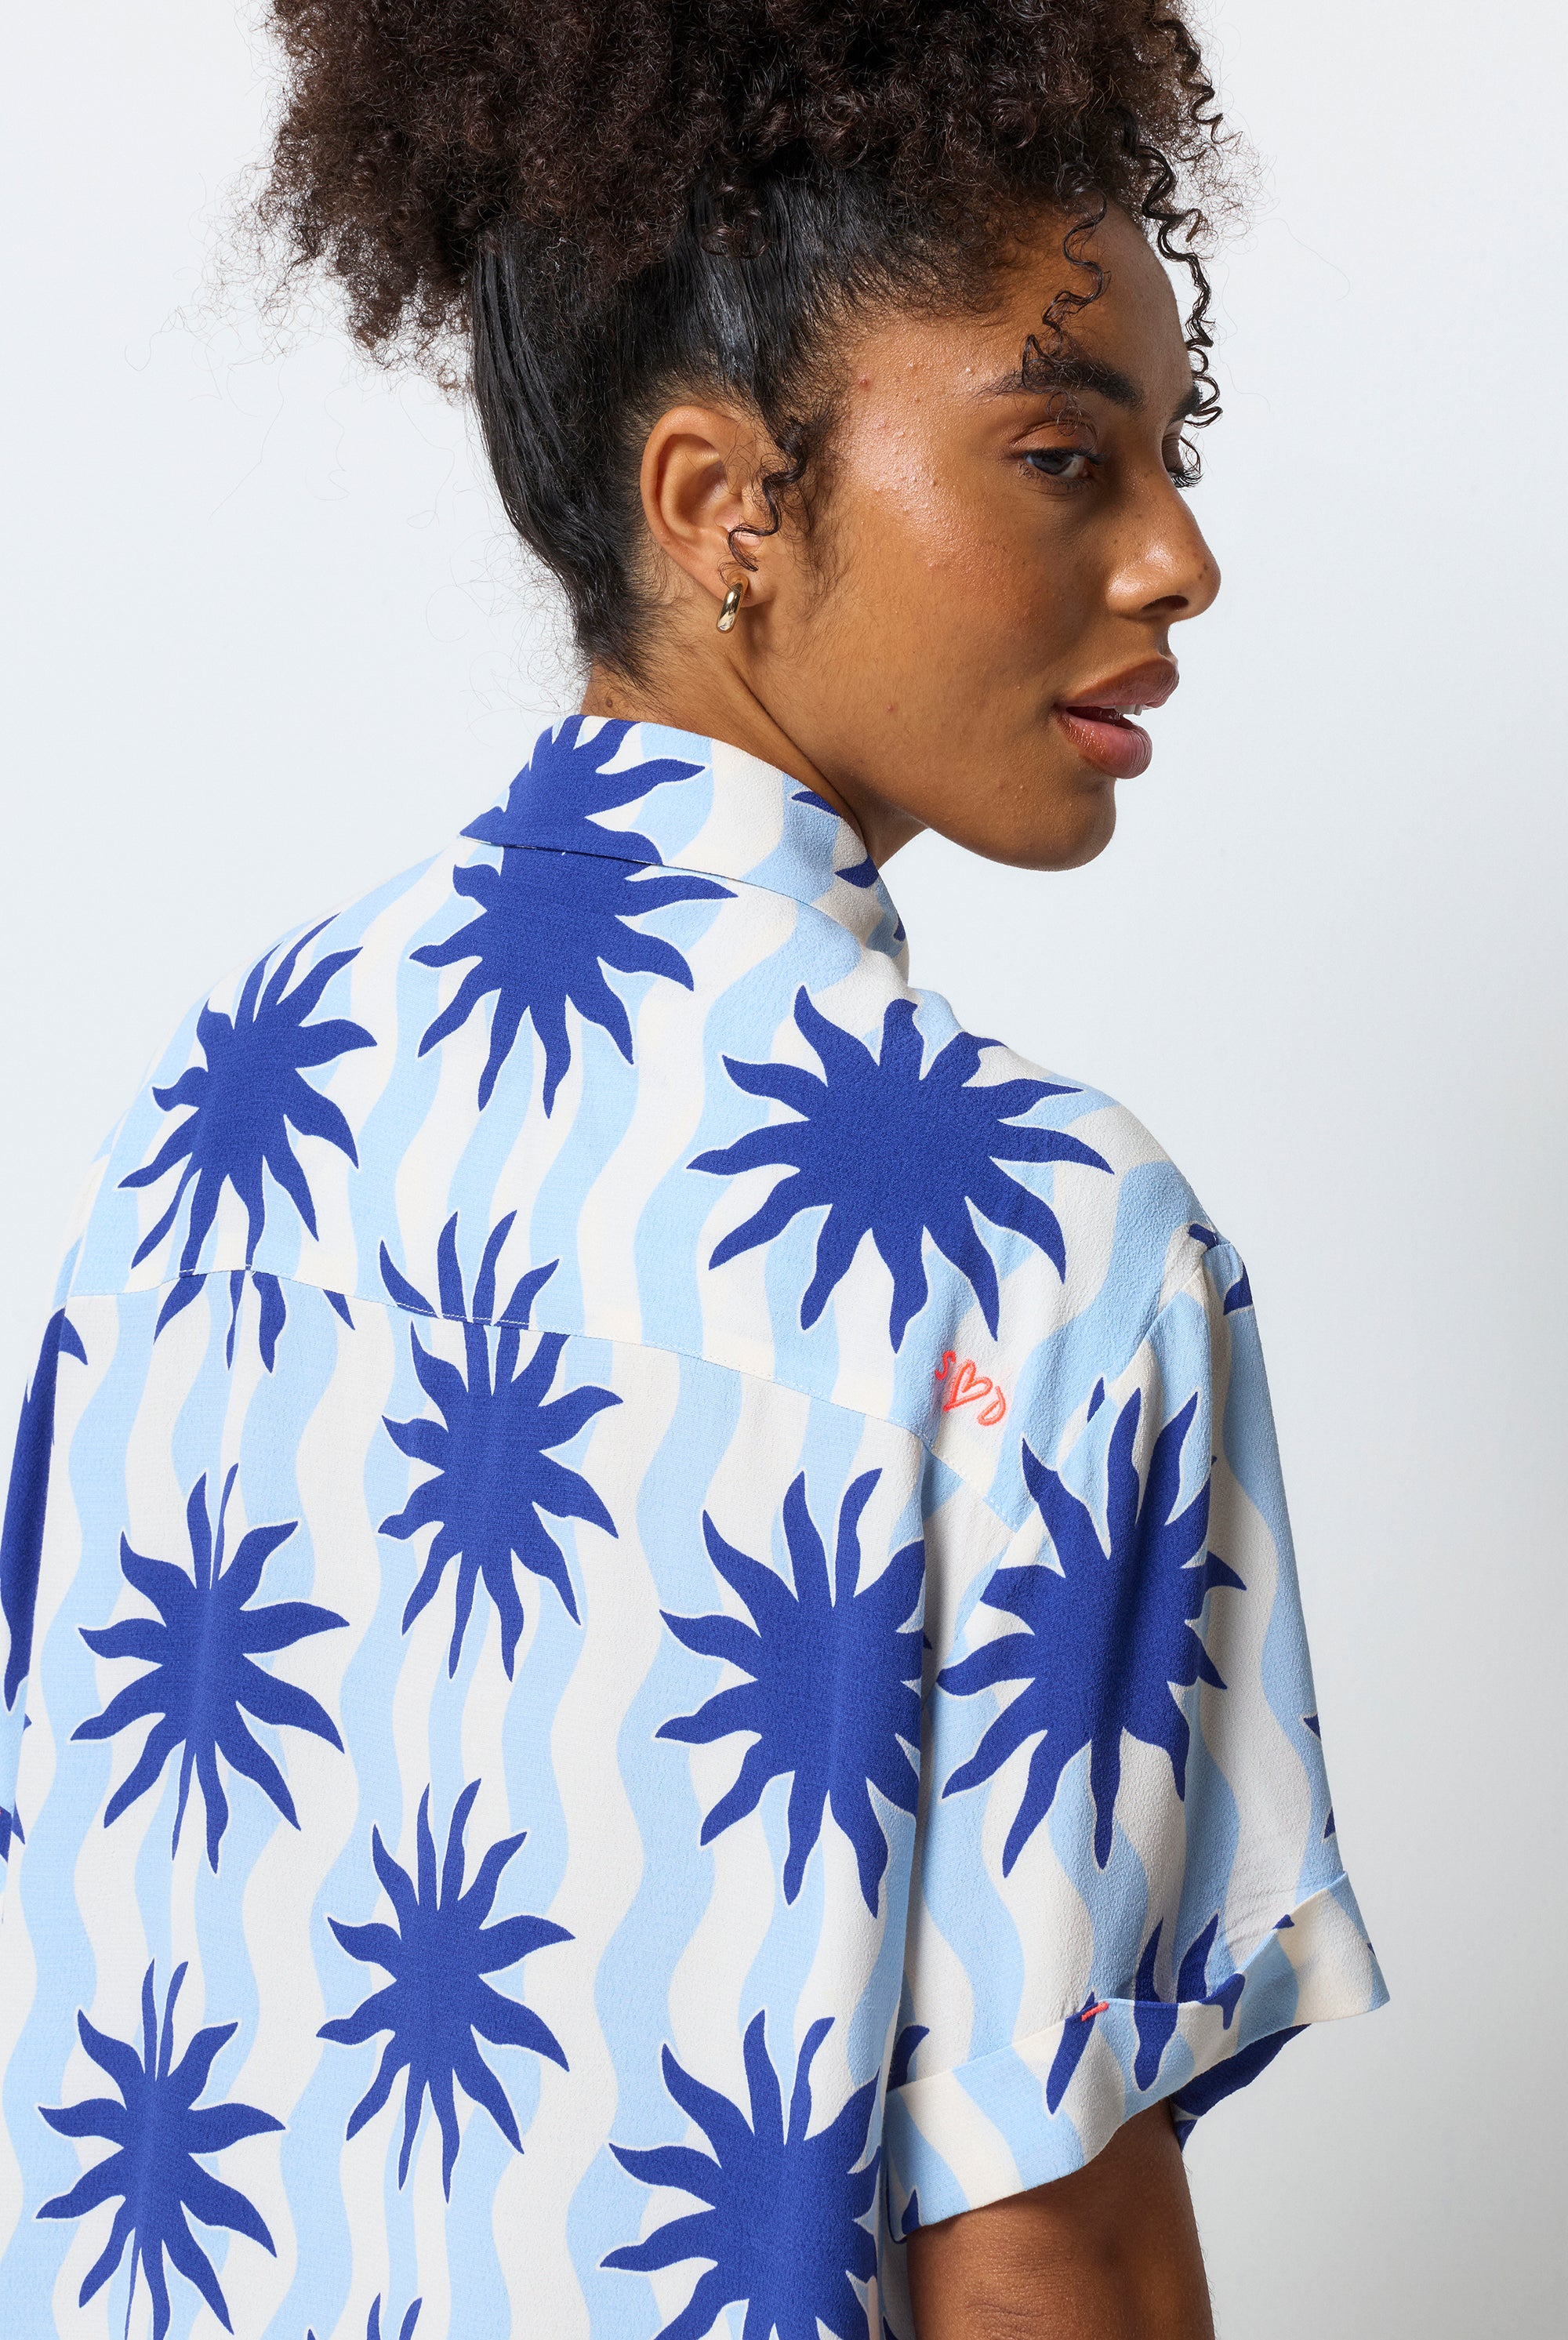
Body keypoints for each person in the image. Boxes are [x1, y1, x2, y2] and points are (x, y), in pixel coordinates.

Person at [0, 5, 1386, 2335]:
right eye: (1067, 456)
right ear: (724, 503)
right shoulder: (1043, 1248)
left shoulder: (220, 1113)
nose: (1181, 557)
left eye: (1176, 452)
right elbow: (1040, 2236)